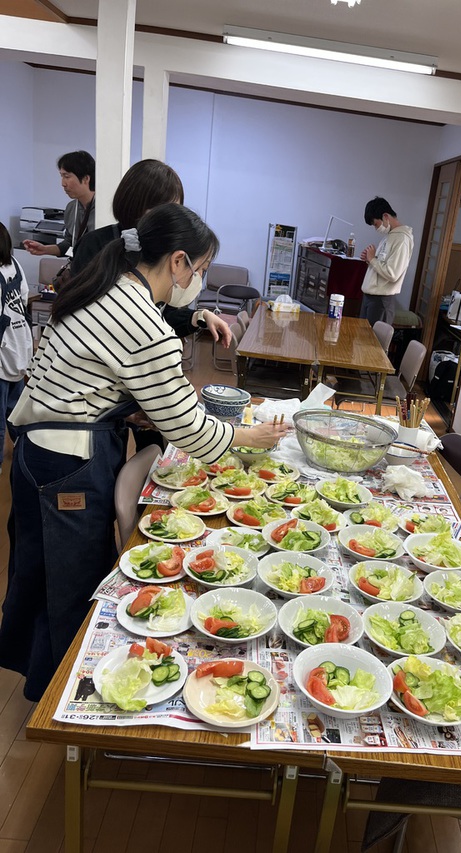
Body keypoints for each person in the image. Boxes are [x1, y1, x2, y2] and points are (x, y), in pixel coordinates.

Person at [0, 203, 287, 701]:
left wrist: (125, 408)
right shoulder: (141, 321)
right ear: (176, 262)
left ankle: (42, 686)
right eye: (198, 270)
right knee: (71, 585)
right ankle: (61, 702)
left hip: (37, 452)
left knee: (39, 574)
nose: (197, 280)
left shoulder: (106, 287)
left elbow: (83, 379)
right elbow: (192, 432)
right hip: (66, 464)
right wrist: (250, 438)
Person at [71, 158, 228, 343]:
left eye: (175, 209)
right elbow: (81, 315)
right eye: (161, 209)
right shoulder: (95, 244)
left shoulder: (167, 252)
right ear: (134, 203)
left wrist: (197, 317)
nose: (169, 217)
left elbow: (163, 313)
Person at [0, 223, 32, 474]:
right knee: (17, 412)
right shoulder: (16, 265)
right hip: (20, 344)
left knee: (1, 419)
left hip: (3, 349)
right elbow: (23, 299)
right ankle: (25, 455)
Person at [22, 150, 95, 258]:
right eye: (61, 176)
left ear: (86, 178)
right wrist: (45, 249)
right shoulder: (72, 208)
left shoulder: (105, 209)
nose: (63, 183)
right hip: (80, 270)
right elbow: (70, 245)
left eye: (67, 176)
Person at [359, 196, 414, 326]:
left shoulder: (402, 239)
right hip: (371, 297)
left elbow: (392, 273)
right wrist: (370, 260)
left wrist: (372, 259)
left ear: (385, 216)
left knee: (372, 344)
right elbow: (384, 265)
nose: (376, 228)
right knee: (361, 340)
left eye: (376, 224)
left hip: (380, 301)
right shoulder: (390, 236)